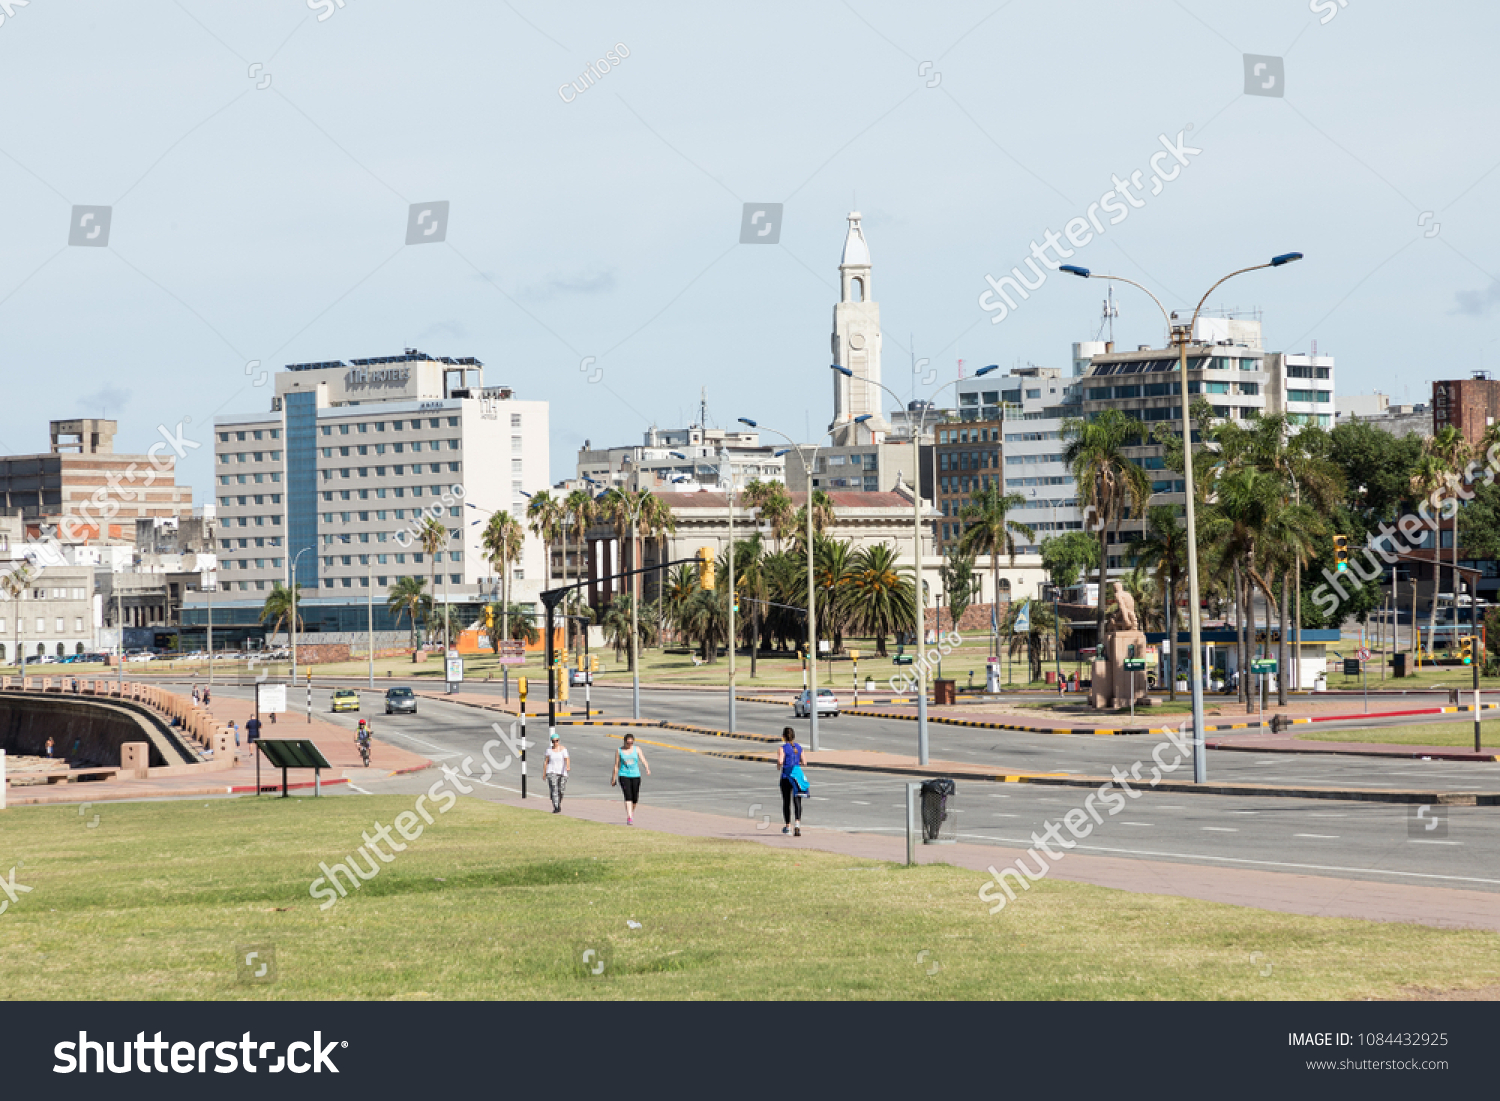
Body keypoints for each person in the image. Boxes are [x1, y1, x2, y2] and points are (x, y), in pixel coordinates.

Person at [609, 733, 649, 825]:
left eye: (631, 743)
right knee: (628, 796)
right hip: (624, 775)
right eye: (628, 743)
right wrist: (613, 778)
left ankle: (631, 812)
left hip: (635, 775)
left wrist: (647, 768)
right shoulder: (619, 750)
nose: (629, 744)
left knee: (635, 798)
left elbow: (643, 759)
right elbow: (616, 765)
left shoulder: (637, 749)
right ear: (625, 741)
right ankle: (629, 817)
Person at [776, 726, 807, 836]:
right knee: (797, 800)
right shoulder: (799, 747)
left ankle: (788, 826)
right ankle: (797, 824)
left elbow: (780, 761)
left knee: (786, 802)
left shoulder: (782, 748)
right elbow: (805, 762)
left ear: (783, 737)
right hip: (796, 777)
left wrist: (779, 766)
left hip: (786, 776)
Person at [544, 731, 570, 813]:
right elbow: (546, 761)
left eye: (556, 741)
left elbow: (567, 758)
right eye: (553, 741)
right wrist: (544, 773)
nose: (555, 743)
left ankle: (557, 802)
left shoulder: (563, 749)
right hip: (551, 771)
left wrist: (568, 766)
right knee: (554, 788)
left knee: (561, 790)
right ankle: (556, 807)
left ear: (559, 741)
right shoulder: (549, 750)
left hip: (562, 772)